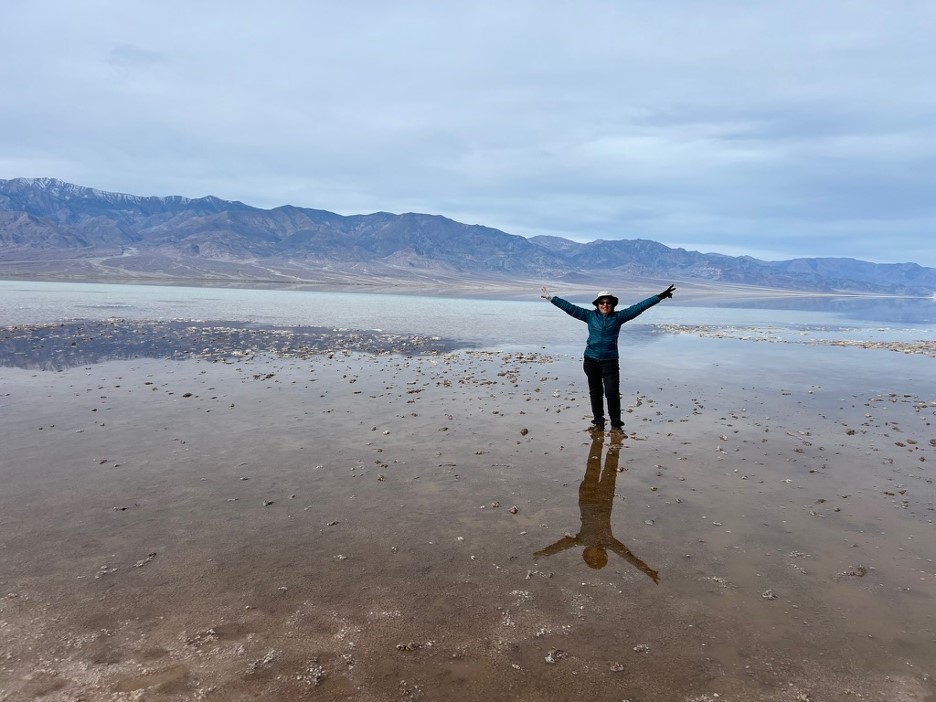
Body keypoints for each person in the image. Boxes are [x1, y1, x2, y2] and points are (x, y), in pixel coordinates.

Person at [540, 283, 675, 432]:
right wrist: (550, 297)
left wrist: (660, 297)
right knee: (595, 392)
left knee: (612, 393)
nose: (605, 305)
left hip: (610, 362)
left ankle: (616, 425)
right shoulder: (589, 316)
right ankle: (598, 423)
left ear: (612, 304)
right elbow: (569, 308)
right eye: (602, 302)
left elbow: (639, 307)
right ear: (597, 304)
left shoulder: (618, 318)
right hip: (591, 361)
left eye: (608, 302)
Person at [533, 431, 659, 582]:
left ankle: (598, 439)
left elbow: (562, 545)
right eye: (597, 558)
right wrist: (646, 570)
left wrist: (544, 552)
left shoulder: (582, 540)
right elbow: (628, 556)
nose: (594, 556)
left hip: (586, 498)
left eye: (591, 558)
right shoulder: (609, 542)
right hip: (605, 498)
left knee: (592, 465)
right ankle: (612, 441)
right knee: (610, 468)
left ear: (586, 554)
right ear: (604, 555)